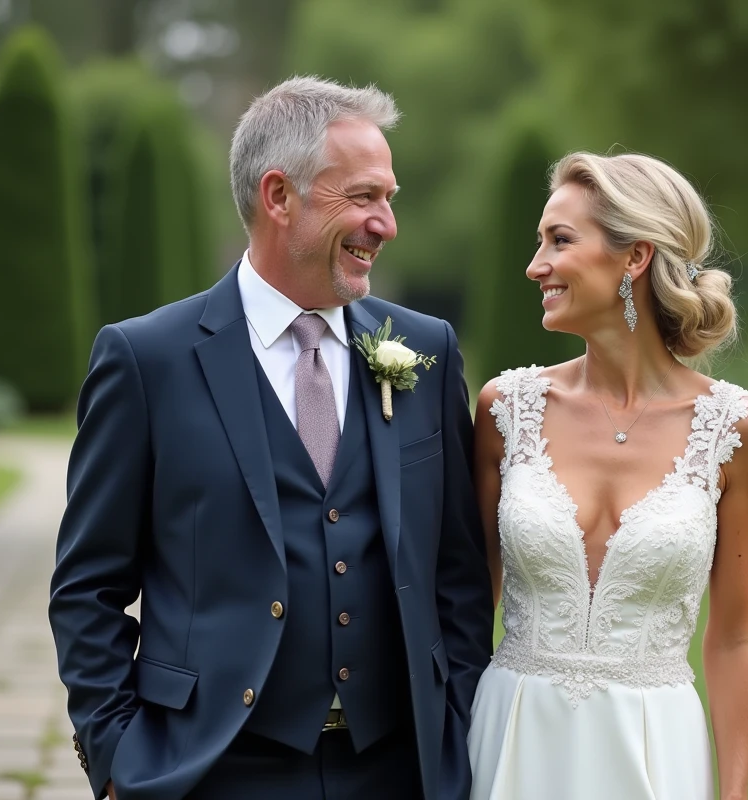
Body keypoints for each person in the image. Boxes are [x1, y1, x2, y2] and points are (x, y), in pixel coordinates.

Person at [49, 75, 493, 800]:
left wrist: (456, 730)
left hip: (396, 769)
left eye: (389, 198)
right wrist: (118, 754)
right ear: (279, 196)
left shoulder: (425, 350)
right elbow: (88, 585)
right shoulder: (147, 359)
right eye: (362, 197)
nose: (386, 223)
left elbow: (458, 576)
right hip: (212, 767)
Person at [467, 151, 748, 799]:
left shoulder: (738, 429)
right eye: (538, 242)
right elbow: (467, 609)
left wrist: (736, 792)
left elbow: (734, 635)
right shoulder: (505, 410)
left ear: (633, 257)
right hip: (516, 735)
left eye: (560, 240)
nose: (534, 265)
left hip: (655, 746)